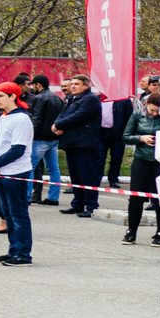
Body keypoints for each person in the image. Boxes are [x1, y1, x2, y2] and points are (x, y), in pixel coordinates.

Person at [0, 82, 35, 266]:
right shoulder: (4, 116)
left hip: (15, 172)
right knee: (8, 214)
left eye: (1, 96)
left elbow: (18, 149)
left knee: (18, 214)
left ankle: (23, 254)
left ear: (13, 96)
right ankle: (13, 250)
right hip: (1, 171)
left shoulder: (21, 119)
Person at [54, 74, 103, 218]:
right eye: (72, 84)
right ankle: (77, 204)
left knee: (87, 176)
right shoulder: (72, 98)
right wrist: (56, 124)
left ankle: (91, 206)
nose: (73, 86)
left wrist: (58, 125)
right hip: (72, 142)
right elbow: (62, 114)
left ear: (86, 86)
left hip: (84, 143)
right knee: (75, 176)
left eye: (76, 84)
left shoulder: (90, 99)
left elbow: (79, 116)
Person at [123, 93, 160, 247]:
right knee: (136, 197)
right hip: (141, 160)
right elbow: (126, 136)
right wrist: (141, 138)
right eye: (152, 110)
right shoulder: (137, 116)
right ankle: (131, 232)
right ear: (146, 104)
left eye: (158, 111)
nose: (154, 114)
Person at [25, 74, 64, 205]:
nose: (32, 88)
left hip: (41, 138)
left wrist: (29, 135)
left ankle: (26, 197)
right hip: (54, 137)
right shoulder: (58, 98)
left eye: (33, 85)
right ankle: (53, 197)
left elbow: (36, 119)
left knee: (30, 166)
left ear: (38, 85)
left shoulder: (39, 98)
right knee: (53, 168)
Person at [102, 86, 134, 215]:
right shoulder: (99, 99)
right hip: (102, 132)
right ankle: (97, 178)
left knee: (116, 157)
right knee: (99, 156)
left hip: (118, 133)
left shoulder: (123, 99)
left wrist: (127, 132)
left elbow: (129, 116)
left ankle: (113, 179)